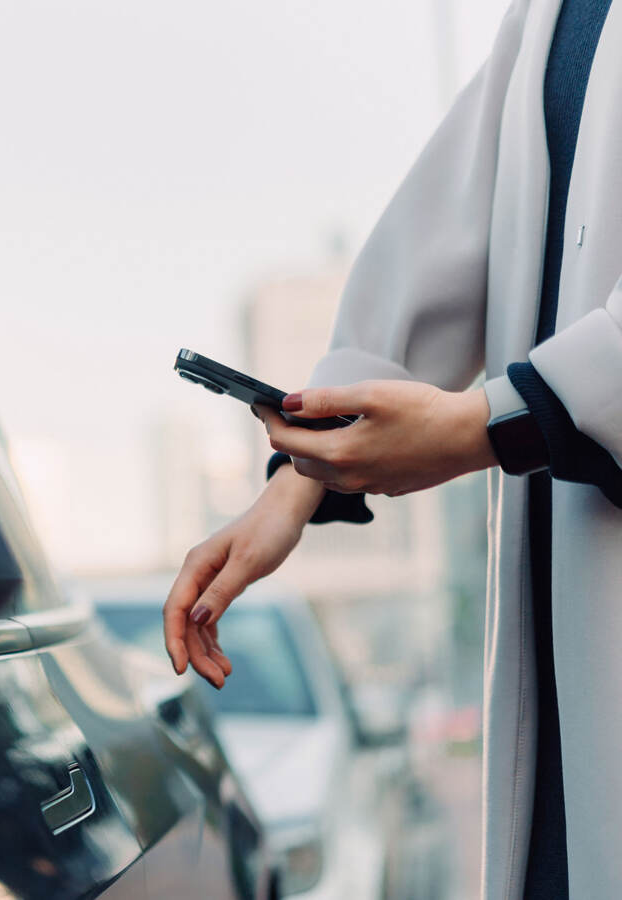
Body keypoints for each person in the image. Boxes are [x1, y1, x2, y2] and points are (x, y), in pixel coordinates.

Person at [163, 1, 622, 897]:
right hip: (574, 721)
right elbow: (444, 233)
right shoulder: (551, 18)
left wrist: (483, 423)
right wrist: (299, 478)